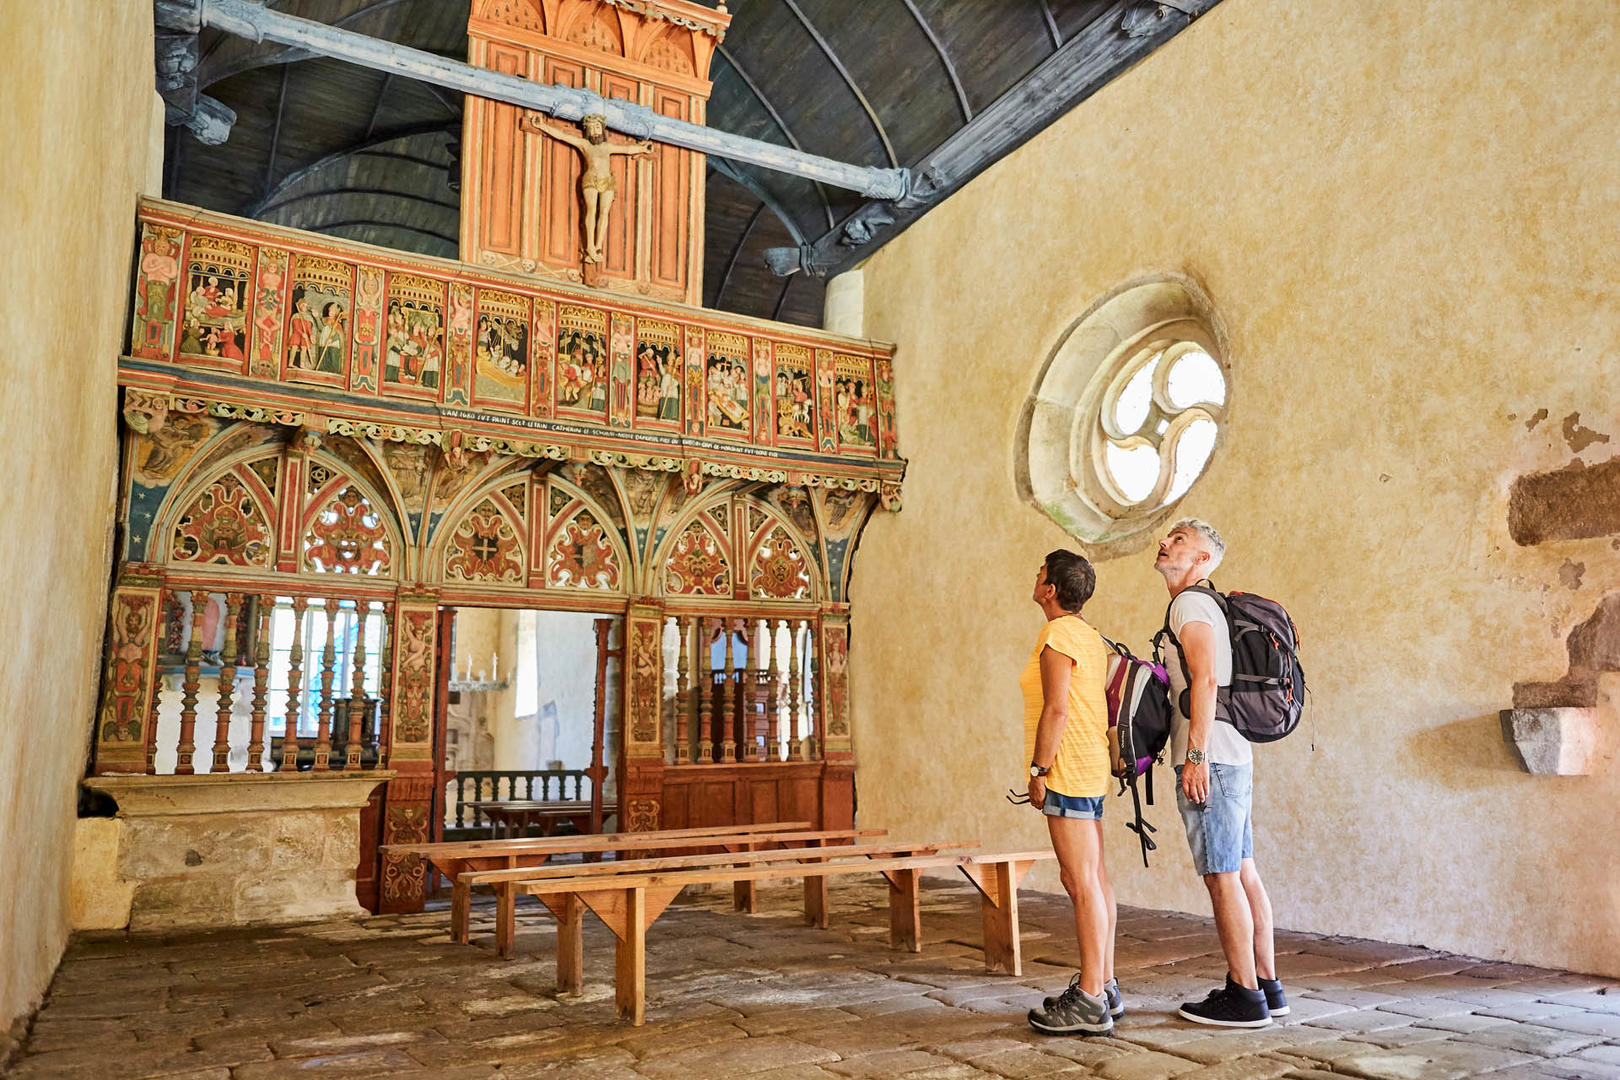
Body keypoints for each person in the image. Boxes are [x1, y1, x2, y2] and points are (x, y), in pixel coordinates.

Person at [1153, 520, 1288, 1028]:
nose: (1166, 543)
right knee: (1242, 869)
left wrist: (1194, 756)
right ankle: (1266, 985)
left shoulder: (1189, 603)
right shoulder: (1206, 604)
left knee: (1222, 876)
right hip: (1234, 755)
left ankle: (1243, 995)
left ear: (1204, 559)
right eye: (1168, 537)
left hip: (1213, 760)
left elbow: (1206, 678)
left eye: (1181, 540)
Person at [1021, 550, 1121, 1036]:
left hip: (1068, 769)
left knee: (1080, 882)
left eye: (1040, 573)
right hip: (1089, 767)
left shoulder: (1057, 635)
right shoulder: (1089, 634)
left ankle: (1090, 1000)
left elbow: (1057, 710)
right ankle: (1104, 983)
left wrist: (1039, 769)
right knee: (1094, 878)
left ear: (1051, 590)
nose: (1035, 578)